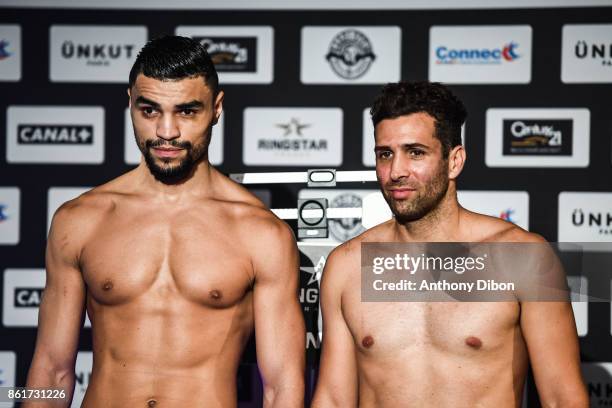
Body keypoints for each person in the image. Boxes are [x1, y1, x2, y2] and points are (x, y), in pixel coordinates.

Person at [25, 36, 305, 408]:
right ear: (130, 104)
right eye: (150, 110)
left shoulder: (260, 233)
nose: (166, 131)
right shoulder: (79, 221)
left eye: (187, 111)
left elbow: (282, 387)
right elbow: (51, 371)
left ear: (216, 108)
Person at [312, 81, 587, 407]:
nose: (396, 171)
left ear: (454, 161)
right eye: (385, 154)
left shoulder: (522, 258)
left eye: (415, 153)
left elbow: (562, 398)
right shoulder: (347, 266)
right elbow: (333, 399)